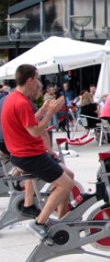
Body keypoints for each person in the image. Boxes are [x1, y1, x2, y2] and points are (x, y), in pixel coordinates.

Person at [1, 64, 75, 237]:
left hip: (25, 154)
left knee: (69, 176)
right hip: (29, 156)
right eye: (37, 78)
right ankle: (39, 223)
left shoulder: (13, 98)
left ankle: (62, 219)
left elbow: (28, 123)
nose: (38, 83)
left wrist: (42, 110)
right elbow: (35, 131)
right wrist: (50, 113)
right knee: (67, 185)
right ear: (29, 80)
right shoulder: (21, 102)